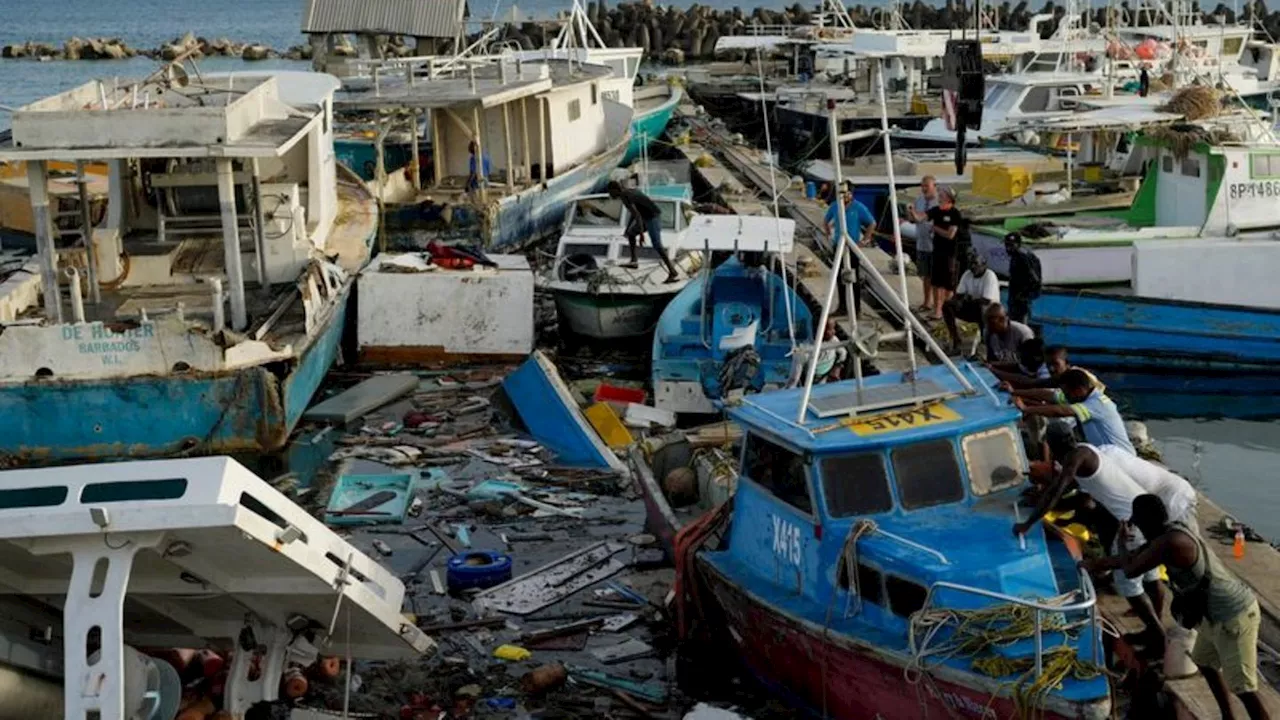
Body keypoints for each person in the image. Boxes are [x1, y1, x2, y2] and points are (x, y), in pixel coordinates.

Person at [1094, 494, 1269, 720]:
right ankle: (1228, 716)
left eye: (1138, 523)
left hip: (1233, 615)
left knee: (1244, 687)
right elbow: (1133, 558)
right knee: (1205, 662)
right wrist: (1093, 563)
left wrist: (1120, 541)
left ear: (1149, 521)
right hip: (1211, 615)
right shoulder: (1165, 534)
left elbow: (1130, 570)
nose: (1137, 528)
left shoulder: (1172, 542)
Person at [1015, 444, 1166, 650]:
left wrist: (1028, 523)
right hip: (1146, 517)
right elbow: (1071, 493)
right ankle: (1156, 629)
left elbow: (1057, 491)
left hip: (1132, 522)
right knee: (1150, 576)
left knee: (1128, 584)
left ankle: (1157, 635)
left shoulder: (1076, 457)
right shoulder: (1090, 452)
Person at [1009, 368, 1137, 455]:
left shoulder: (1097, 403)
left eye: (1067, 393)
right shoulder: (1080, 396)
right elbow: (1046, 394)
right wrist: (1013, 391)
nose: (1065, 396)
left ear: (1079, 390)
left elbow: (1060, 411)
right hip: (1106, 454)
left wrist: (1026, 409)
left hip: (1122, 457)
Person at [1096, 445, 1199, 534]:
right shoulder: (1108, 449)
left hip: (1175, 496)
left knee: (1179, 537)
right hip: (1176, 488)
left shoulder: (1103, 465)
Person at [607, 180, 679, 283]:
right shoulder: (629, 191)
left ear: (614, 190)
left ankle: (673, 272)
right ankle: (634, 261)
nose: (609, 194)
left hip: (653, 218)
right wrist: (627, 229)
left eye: (610, 192)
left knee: (657, 245)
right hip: (646, 217)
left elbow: (637, 216)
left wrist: (641, 234)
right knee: (631, 234)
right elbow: (635, 213)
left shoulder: (625, 196)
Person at [943, 252, 1000, 353]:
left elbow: (986, 300)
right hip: (973, 307)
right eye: (971, 264)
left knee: (982, 307)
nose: (973, 267)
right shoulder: (967, 274)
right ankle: (955, 338)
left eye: (976, 264)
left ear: (983, 265)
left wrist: (967, 300)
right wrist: (957, 301)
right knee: (948, 305)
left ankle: (985, 341)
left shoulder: (990, 276)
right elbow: (959, 295)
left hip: (989, 311)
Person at [926, 188, 963, 320]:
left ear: (948, 198)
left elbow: (950, 235)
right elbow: (921, 217)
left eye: (942, 194)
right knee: (936, 283)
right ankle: (937, 310)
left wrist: (935, 228)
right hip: (937, 251)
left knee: (949, 285)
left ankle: (948, 310)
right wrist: (912, 212)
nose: (939, 195)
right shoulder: (936, 210)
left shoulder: (955, 214)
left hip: (950, 253)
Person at [905, 176, 940, 314]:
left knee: (936, 277)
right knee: (925, 275)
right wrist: (910, 214)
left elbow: (926, 218)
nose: (924, 189)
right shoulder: (919, 200)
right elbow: (914, 220)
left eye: (927, 186)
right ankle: (927, 301)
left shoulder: (938, 202)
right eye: (922, 186)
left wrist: (914, 213)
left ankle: (938, 306)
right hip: (922, 242)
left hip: (935, 245)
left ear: (934, 186)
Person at [824, 182, 876, 253]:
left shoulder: (858, 207)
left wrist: (864, 241)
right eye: (842, 193)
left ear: (851, 193)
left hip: (853, 245)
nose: (845, 195)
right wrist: (828, 235)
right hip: (838, 244)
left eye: (847, 193)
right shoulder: (834, 205)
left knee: (854, 263)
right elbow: (826, 220)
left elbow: (872, 223)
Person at [1004, 232, 1042, 324]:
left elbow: (1035, 280)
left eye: (1010, 245)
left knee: (1021, 327)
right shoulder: (1015, 257)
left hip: (1021, 301)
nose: (1007, 248)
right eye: (1006, 245)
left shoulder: (1023, 257)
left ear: (1018, 244)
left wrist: (1022, 295)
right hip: (1014, 299)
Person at [814, 318, 848, 383]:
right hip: (816, 375)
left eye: (834, 328)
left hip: (829, 371)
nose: (834, 331)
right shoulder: (810, 346)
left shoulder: (833, 339)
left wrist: (838, 367)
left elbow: (843, 352)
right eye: (830, 329)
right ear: (820, 330)